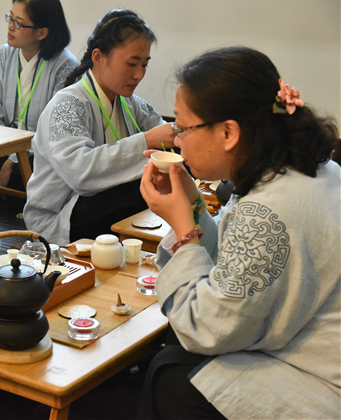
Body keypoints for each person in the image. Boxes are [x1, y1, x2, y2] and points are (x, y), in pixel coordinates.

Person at [139, 46, 340, 419]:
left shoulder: (267, 208)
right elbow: (238, 257)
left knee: (173, 376)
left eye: (182, 128)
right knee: (173, 354)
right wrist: (193, 205)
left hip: (319, 377)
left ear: (229, 132)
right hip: (311, 345)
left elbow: (209, 326)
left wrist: (184, 229)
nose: (176, 140)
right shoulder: (311, 168)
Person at [23, 9, 175, 245]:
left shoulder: (129, 102)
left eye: (144, 65)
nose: (139, 75)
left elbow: (163, 131)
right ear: (98, 57)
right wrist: (146, 142)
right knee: (136, 188)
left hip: (101, 208)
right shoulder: (67, 104)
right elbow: (80, 175)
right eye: (132, 63)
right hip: (60, 215)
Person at [0, 0, 79, 190]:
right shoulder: (5, 53)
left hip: (39, 154)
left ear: (41, 33)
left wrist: (12, 162)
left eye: (18, 23)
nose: (10, 27)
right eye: (10, 18)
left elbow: (54, 127)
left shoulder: (66, 65)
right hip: (0, 144)